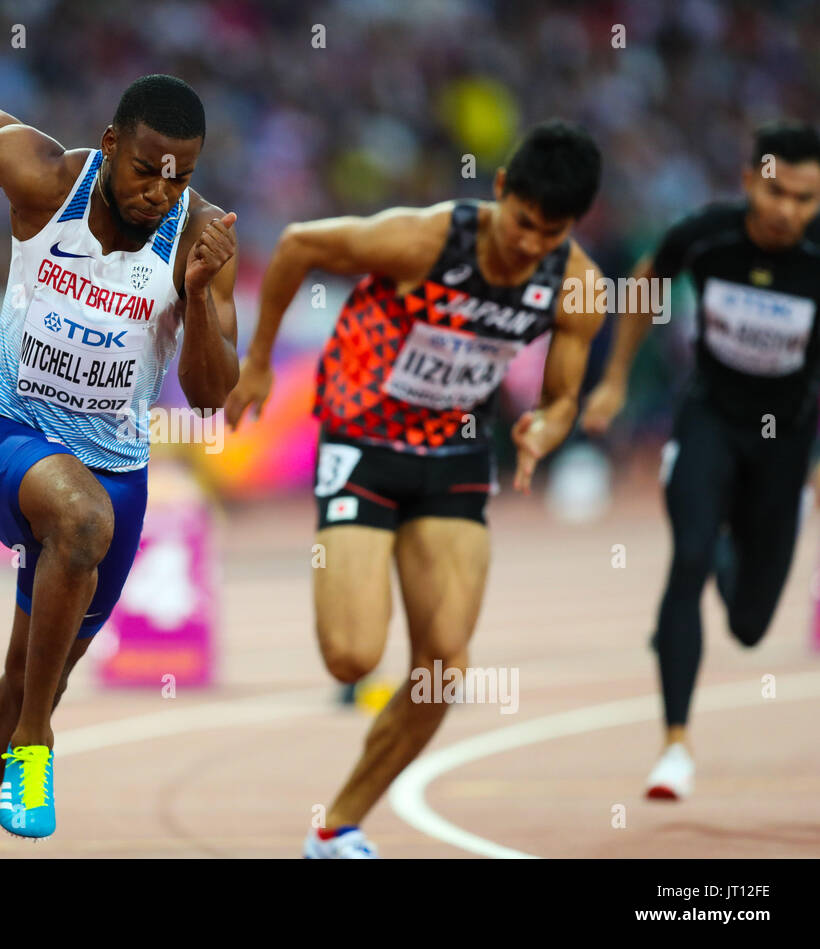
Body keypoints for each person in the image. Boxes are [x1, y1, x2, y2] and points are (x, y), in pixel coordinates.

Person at [226, 121, 606, 858]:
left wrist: (547, 428)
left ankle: (337, 826)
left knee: (445, 668)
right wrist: (261, 358)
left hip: (456, 457)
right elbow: (302, 242)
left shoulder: (577, 285)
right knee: (351, 657)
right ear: (500, 191)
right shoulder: (427, 240)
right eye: (523, 222)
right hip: (363, 443)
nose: (530, 244)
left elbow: (561, 397)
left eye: (550, 232)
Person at [0, 74, 238, 856]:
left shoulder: (199, 238)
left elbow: (211, 393)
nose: (161, 191)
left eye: (180, 176)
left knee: (33, 672)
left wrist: (195, 298)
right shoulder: (48, 179)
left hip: (116, 466)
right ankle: (34, 744)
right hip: (7, 429)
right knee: (80, 521)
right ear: (112, 144)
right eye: (147, 168)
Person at [581, 121, 820, 801]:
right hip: (710, 418)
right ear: (750, 180)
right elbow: (646, 280)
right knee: (685, 557)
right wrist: (619, 376)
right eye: (776, 191)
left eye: (805, 199)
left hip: (785, 440)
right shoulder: (708, 234)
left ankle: (727, 549)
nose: (787, 211)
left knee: (748, 625)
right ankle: (675, 748)